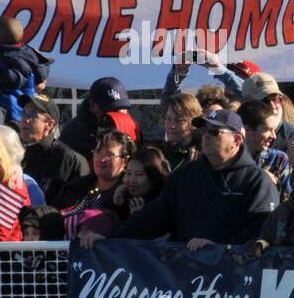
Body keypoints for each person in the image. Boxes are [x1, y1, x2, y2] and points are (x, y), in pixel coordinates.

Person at [84, 110, 279, 250]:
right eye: (204, 131)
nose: (206, 137)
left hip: (231, 281)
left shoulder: (257, 181)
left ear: (236, 140)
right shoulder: (186, 175)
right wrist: (109, 237)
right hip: (184, 273)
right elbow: (155, 216)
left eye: (214, 132)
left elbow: (261, 230)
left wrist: (219, 249)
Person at [0, 15, 52, 125]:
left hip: (7, 105)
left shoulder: (8, 57)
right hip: (19, 105)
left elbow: (14, 79)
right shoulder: (26, 52)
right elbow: (41, 68)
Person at [51, 129, 136, 230]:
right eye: (98, 152)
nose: (102, 159)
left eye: (110, 155)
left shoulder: (128, 192)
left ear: (125, 160)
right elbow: (53, 212)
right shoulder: (76, 186)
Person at [18, 93, 88, 201]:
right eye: (23, 113)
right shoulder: (12, 152)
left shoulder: (69, 160)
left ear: (50, 124)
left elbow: (75, 207)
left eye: (32, 115)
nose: (25, 120)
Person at [60, 76, 140, 158]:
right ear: (92, 106)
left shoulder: (132, 126)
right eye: (109, 111)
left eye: (121, 109)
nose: (116, 116)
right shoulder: (73, 135)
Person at [240, 72, 294, 151]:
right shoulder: (233, 134)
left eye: (276, 99)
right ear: (246, 103)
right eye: (264, 101)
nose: (272, 106)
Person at [237, 99, 292, 193]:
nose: (274, 136)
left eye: (274, 130)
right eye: (268, 130)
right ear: (247, 130)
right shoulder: (226, 159)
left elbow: (288, 199)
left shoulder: (278, 159)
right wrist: (256, 175)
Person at [111, 146, 170, 216]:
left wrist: (140, 217)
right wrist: (118, 206)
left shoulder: (163, 204)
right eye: (128, 173)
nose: (132, 180)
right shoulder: (125, 199)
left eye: (139, 174)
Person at [156, 92, 202, 169]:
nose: (172, 126)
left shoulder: (203, 154)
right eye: (168, 119)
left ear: (194, 122)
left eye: (179, 120)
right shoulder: (160, 153)